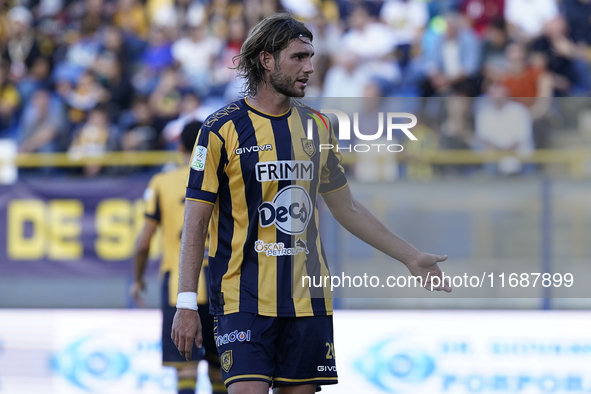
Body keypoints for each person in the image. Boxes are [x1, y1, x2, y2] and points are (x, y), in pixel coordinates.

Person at [171, 12, 451, 394]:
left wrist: (410, 256)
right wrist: (186, 302)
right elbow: (196, 223)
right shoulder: (220, 128)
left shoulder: (318, 126)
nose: (310, 67)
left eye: (311, 57)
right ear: (266, 60)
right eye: (298, 57)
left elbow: (346, 208)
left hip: (308, 301)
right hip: (242, 300)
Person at [130, 120, 227, 394]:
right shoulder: (224, 178)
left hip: (180, 284)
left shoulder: (163, 182)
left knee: (185, 367)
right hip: (221, 283)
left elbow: (143, 242)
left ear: (180, 146)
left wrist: (137, 279)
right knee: (220, 367)